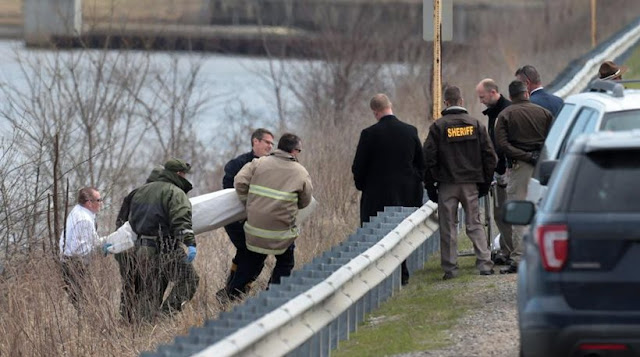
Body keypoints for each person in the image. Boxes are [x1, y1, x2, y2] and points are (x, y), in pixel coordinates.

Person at [423, 86, 497, 280]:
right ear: (462, 101)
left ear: (446, 102)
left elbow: (428, 158)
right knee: (474, 223)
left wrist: (430, 185)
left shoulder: (438, 127)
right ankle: (485, 264)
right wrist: (484, 182)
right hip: (471, 183)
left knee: (448, 226)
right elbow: (490, 157)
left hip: (447, 184)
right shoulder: (475, 125)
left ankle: (450, 269)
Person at [351, 93, 425, 285]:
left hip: (377, 195)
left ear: (375, 112)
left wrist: (362, 186)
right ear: (390, 106)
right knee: (401, 234)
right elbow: (421, 163)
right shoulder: (410, 131)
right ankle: (403, 271)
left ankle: (379, 276)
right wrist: (415, 180)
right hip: (407, 193)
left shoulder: (369, 134)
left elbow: (358, 167)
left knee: (376, 237)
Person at [234, 133, 312, 292]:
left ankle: (231, 295)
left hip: (254, 229)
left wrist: (248, 203)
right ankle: (272, 297)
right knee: (286, 262)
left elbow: (239, 181)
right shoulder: (300, 172)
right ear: (295, 151)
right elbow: (305, 201)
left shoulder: (258, 163)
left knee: (251, 262)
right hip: (281, 233)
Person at [127, 158, 199, 321]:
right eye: (184, 175)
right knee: (189, 280)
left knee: (151, 290)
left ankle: (142, 327)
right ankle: (164, 317)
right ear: (179, 174)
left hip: (142, 248)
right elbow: (181, 220)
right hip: (166, 248)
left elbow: (131, 221)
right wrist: (190, 243)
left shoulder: (142, 191)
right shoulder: (175, 192)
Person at [495, 80, 553, 274]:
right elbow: (553, 138)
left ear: (510, 97)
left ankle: (520, 257)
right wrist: (538, 155)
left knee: (519, 211)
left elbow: (502, 145)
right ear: (527, 93)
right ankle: (545, 253)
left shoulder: (505, 115)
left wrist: (524, 156)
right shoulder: (544, 113)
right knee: (546, 208)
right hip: (544, 166)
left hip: (520, 167)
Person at [218, 128, 275, 302]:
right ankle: (234, 293)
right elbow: (229, 191)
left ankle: (232, 292)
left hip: (259, 220)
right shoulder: (237, 164)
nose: (270, 146)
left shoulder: (273, 165)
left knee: (251, 254)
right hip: (236, 219)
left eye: (272, 143)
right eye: (267, 142)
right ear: (255, 142)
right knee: (251, 252)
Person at [112, 165, 163, 323]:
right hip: (138, 247)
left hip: (123, 246)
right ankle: (142, 321)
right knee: (147, 285)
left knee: (129, 285)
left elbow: (120, 222)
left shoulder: (134, 194)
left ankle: (126, 320)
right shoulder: (155, 196)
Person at [475, 78, 513, 265]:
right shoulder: (494, 112)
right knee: (500, 214)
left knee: (504, 213)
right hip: (499, 171)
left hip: (505, 171)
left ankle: (511, 251)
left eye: (482, 96)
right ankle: (507, 249)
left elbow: (503, 144)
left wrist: (501, 168)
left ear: (493, 92)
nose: (480, 100)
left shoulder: (505, 111)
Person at [59, 187, 103, 310]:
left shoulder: (78, 211)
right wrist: (99, 249)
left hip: (69, 262)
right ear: (89, 203)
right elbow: (78, 249)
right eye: (98, 200)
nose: (101, 203)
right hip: (76, 265)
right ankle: (82, 326)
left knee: (77, 300)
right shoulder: (84, 219)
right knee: (80, 303)